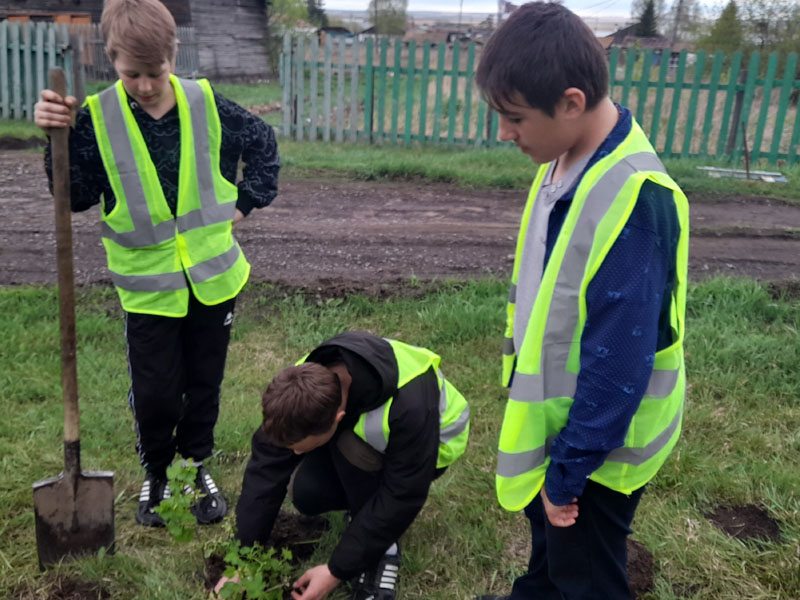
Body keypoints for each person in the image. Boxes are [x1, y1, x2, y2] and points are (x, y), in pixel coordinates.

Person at [34, 0, 280, 528]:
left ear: (174, 55)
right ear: (111, 58)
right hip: (148, 289)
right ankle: (158, 471)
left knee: (204, 381)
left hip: (214, 280)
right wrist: (55, 136)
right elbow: (72, 194)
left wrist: (245, 202)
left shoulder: (205, 103)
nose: (145, 85)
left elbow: (262, 143)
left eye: (155, 72)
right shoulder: (96, 118)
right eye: (131, 74)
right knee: (156, 390)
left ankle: (197, 465)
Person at [473, 3, 689, 600]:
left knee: (588, 577)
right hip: (565, 434)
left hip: (598, 451)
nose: (504, 133)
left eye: (514, 118)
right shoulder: (566, 159)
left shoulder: (634, 202)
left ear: (570, 102)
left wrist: (568, 473)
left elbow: (620, 361)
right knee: (553, 555)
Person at [215, 331, 470, 600]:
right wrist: (242, 560)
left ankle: (384, 550)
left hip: (431, 449)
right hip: (364, 437)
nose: (295, 453)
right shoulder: (302, 383)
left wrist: (336, 570)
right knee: (306, 492)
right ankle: (364, 515)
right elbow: (265, 471)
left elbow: (403, 493)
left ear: (337, 417)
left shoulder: (410, 405)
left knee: (354, 447)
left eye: (300, 445)